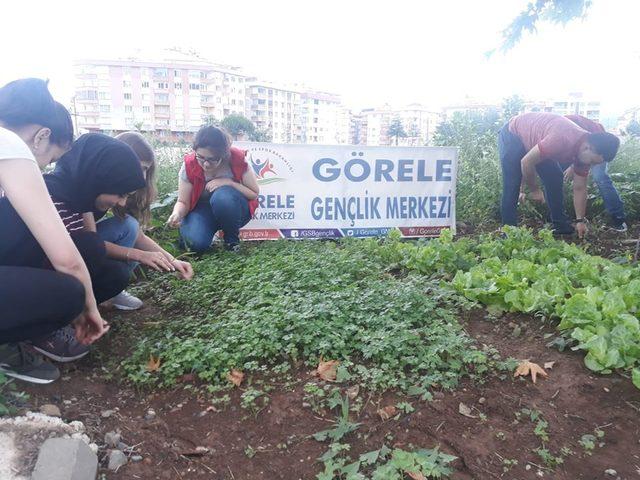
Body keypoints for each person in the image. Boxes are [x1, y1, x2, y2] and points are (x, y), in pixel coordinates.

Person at [0, 78, 107, 384]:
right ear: (41, 136)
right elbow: (68, 261)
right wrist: (89, 310)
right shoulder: (9, 144)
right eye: (51, 159)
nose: (46, 167)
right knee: (68, 293)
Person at [83, 131, 193, 310]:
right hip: (74, 248)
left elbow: (137, 236)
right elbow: (88, 242)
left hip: (90, 243)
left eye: (146, 170)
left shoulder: (125, 191)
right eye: (139, 167)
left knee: (129, 226)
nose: (142, 176)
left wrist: (173, 261)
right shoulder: (88, 188)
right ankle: (88, 299)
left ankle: (112, 290)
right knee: (129, 229)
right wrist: (138, 255)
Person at [499, 112, 620, 238]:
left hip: (539, 139)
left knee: (555, 177)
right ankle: (508, 232)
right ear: (587, 148)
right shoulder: (561, 139)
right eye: (592, 161)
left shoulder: (584, 154)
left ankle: (561, 226)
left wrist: (580, 221)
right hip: (513, 133)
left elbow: (580, 188)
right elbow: (526, 162)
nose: (591, 165)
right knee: (512, 184)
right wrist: (534, 190)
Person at [167, 126, 259, 252]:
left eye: (212, 159)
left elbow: (254, 193)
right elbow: (183, 202)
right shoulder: (189, 165)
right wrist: (177, 213)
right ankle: (203, 230)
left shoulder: (237, 159)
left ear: (224, 154)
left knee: (222, 196)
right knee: (194, 245)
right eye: (201, 157)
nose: (205, 164)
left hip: (233, 209)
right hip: (202, 210)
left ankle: (231, 242)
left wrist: (229, 183)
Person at [564, 114, 627, 232]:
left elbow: (584, 149)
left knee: (600, 177)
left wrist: (574, 166)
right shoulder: (559, 128)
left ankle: (618, 218)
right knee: (559, 174)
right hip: (585, 151)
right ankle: (562, 219)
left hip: (601, 150)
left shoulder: (573, 126)